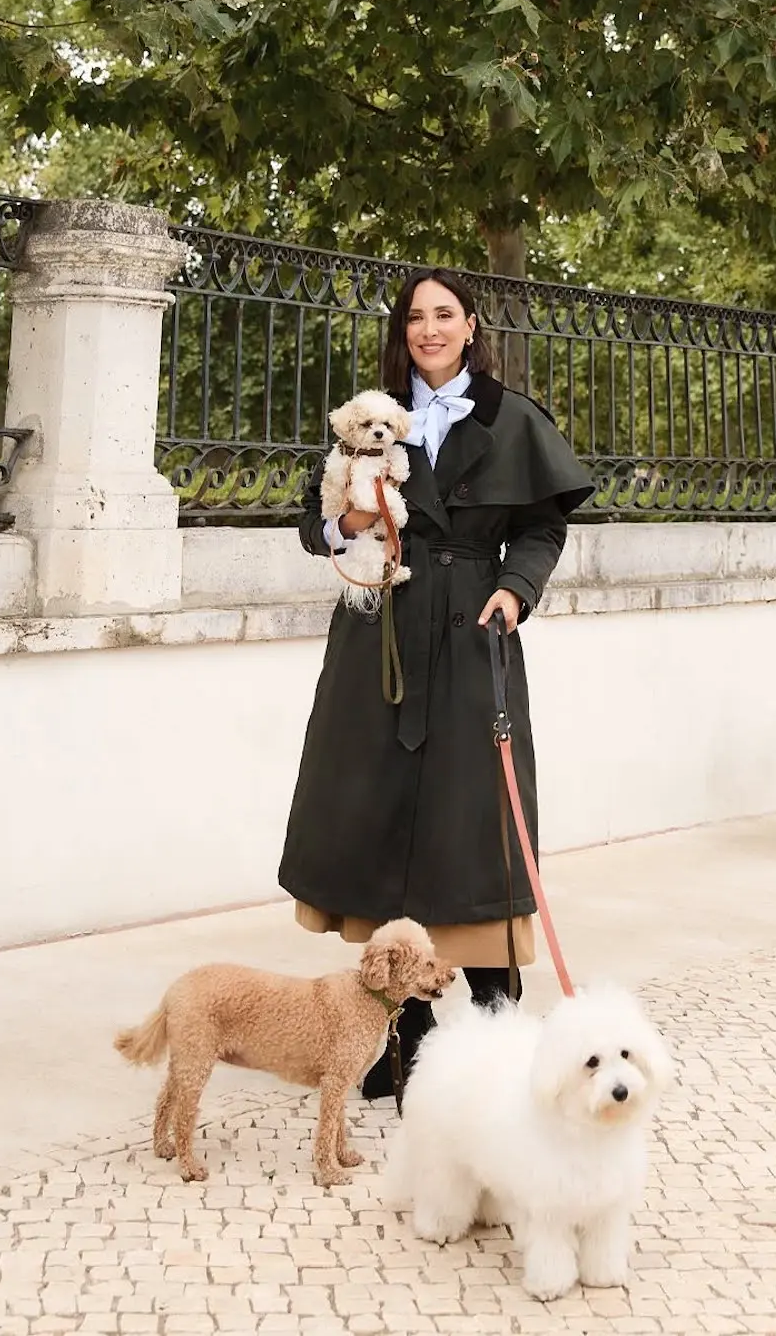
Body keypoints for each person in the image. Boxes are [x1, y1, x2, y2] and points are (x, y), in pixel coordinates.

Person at [277, 267, 594, 1098]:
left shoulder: (512, 418)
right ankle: (399, 1039)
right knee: (382, 814)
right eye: (414, 317)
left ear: (470, 324)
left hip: (472, 629)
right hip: (380, 624)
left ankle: (494, 1024)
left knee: (472, 819)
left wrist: (514, 589)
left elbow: (542, 524)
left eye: (443, 314)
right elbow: (317, 524)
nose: (428, 329)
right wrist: (345, 522)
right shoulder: (371, 418)